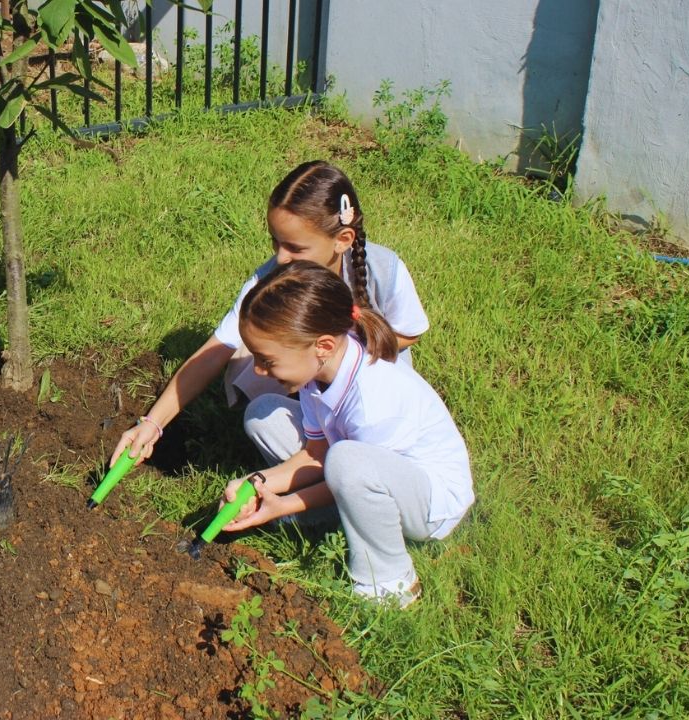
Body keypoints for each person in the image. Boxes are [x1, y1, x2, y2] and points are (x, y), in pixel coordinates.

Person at [111, 160, 430, 474]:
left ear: (342, 240)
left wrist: (343, 346)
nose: (281, 257)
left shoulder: (383, 270)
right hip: (318, 402)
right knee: (261, 415)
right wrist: (152, 424)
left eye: (294, 247)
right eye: (275, 242)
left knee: (372, 454)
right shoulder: (274, 278)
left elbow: (410, 332)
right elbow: (216, 349)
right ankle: (327, 474)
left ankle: (360, 477)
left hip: (375, 398)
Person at [220, 260, 473, 607]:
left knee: (346, 460)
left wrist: (280, 506)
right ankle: (332, 518)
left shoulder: (373, 397)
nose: (258, 370)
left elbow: (344, 466)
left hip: (430, 504)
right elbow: (315, 453)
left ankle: (389, 581)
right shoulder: (316, 374)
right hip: (362, 471)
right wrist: (255, 482)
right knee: (263, 414)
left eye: (267, 359)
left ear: (321, 346)